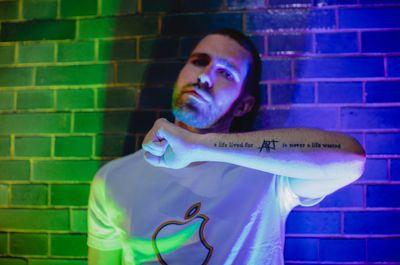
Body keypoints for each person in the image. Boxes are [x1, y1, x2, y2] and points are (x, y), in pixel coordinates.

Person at [87, 29, 366, 265]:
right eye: (199, 61)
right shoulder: (113, 179)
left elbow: (350, 159)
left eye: (225, 73)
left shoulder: (268, 170)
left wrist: (199, 146)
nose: (204, 77)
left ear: (244, 105)